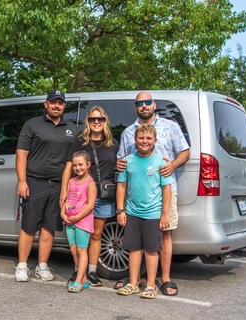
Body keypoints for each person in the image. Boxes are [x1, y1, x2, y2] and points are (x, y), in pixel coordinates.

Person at [116, 91, 190, 296]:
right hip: (136, 198)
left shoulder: (170, 126)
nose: (144, 106)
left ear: (154, 104)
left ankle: (164, 279)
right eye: (139, 103)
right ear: (135, 107)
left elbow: (185, 151)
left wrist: (172, 165)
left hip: (164, 192)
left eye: (148, 102)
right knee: (136, 242)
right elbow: (122, 160)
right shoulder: (129, 132)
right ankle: (135, 279)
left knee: (164, 235)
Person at [15, 89, 78, 282]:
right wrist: (22, 180)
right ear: (46, 104)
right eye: (53, 102)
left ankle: (42, 266)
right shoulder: (32, 124)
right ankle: (22, 265)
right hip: (34, 182)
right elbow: (21, 154)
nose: (56, 106)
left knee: (49, 227)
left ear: (64, 106)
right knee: (29, 226)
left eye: (60, 103)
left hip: (59, 186)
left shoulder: (72, 129)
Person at [60, 106, 119, 286]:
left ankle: (92, 272)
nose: (96, 122)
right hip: (80, 197)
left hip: (103, 195)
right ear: (88, 121)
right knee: (78, 236)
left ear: (105, 121)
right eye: (93, 119)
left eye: (100, 119)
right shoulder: (80, 142)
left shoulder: (112, 143)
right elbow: (69, 168)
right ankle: (79, 271)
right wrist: (63, 194)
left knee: (96, 235)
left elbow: (120, 165)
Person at [116, 124, 172, 299]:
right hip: (132, 212)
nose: (144, 141)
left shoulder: (161, 163)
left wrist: (164, 213)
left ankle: (150, 285)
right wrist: (120, 210)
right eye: (141, 138)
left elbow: (166, 189)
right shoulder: (128, 161)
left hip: (153, 214)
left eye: (148, 138)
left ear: (155, 141)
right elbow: (122, 186)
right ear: (135, 140)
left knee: (151, 250)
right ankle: (133, 283)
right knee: (133, 248)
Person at [60, 151, 97, 293]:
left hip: (82, 222)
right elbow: (66, 199)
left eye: (80, 164)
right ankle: (84, 279)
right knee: (74, 250)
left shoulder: (90, 183)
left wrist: (77, 217)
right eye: (74, 165)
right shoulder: (71, 181)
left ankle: (78, 281)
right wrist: (63, 213)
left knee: (82, 250)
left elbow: (90, 205)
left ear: (88, 165)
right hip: (69, 221)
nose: (77, 168)